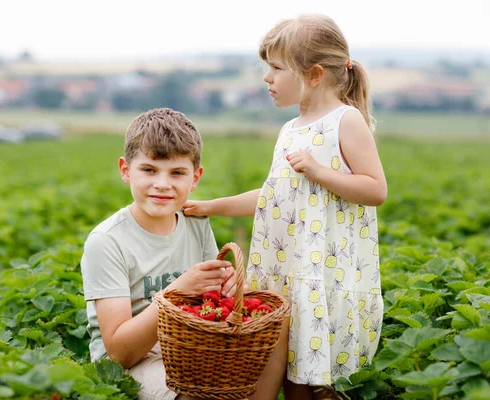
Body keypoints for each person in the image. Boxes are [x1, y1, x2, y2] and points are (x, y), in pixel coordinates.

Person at [183, 14, 387, 400]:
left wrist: (318, 170)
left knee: (303, 381)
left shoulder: (346, 121)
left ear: (313, 75)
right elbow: (275, 196)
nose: (267, 78)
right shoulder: (290, 130)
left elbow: (375, 189)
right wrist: (212, 205)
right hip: (283, 272)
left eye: (276, 68)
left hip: (319, 275)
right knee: (271, 363)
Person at [80, 108, 247, 400]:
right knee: (197, 392)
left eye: (177, 173)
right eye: (149, 170)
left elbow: (210, 300)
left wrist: (225, 288)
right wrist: (174, 293)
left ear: (195, 178)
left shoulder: (196, 223)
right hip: (134, 363)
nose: (162, 184)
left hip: (187, 346)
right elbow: (120, 352)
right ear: (125, 170)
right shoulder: (106, 242)